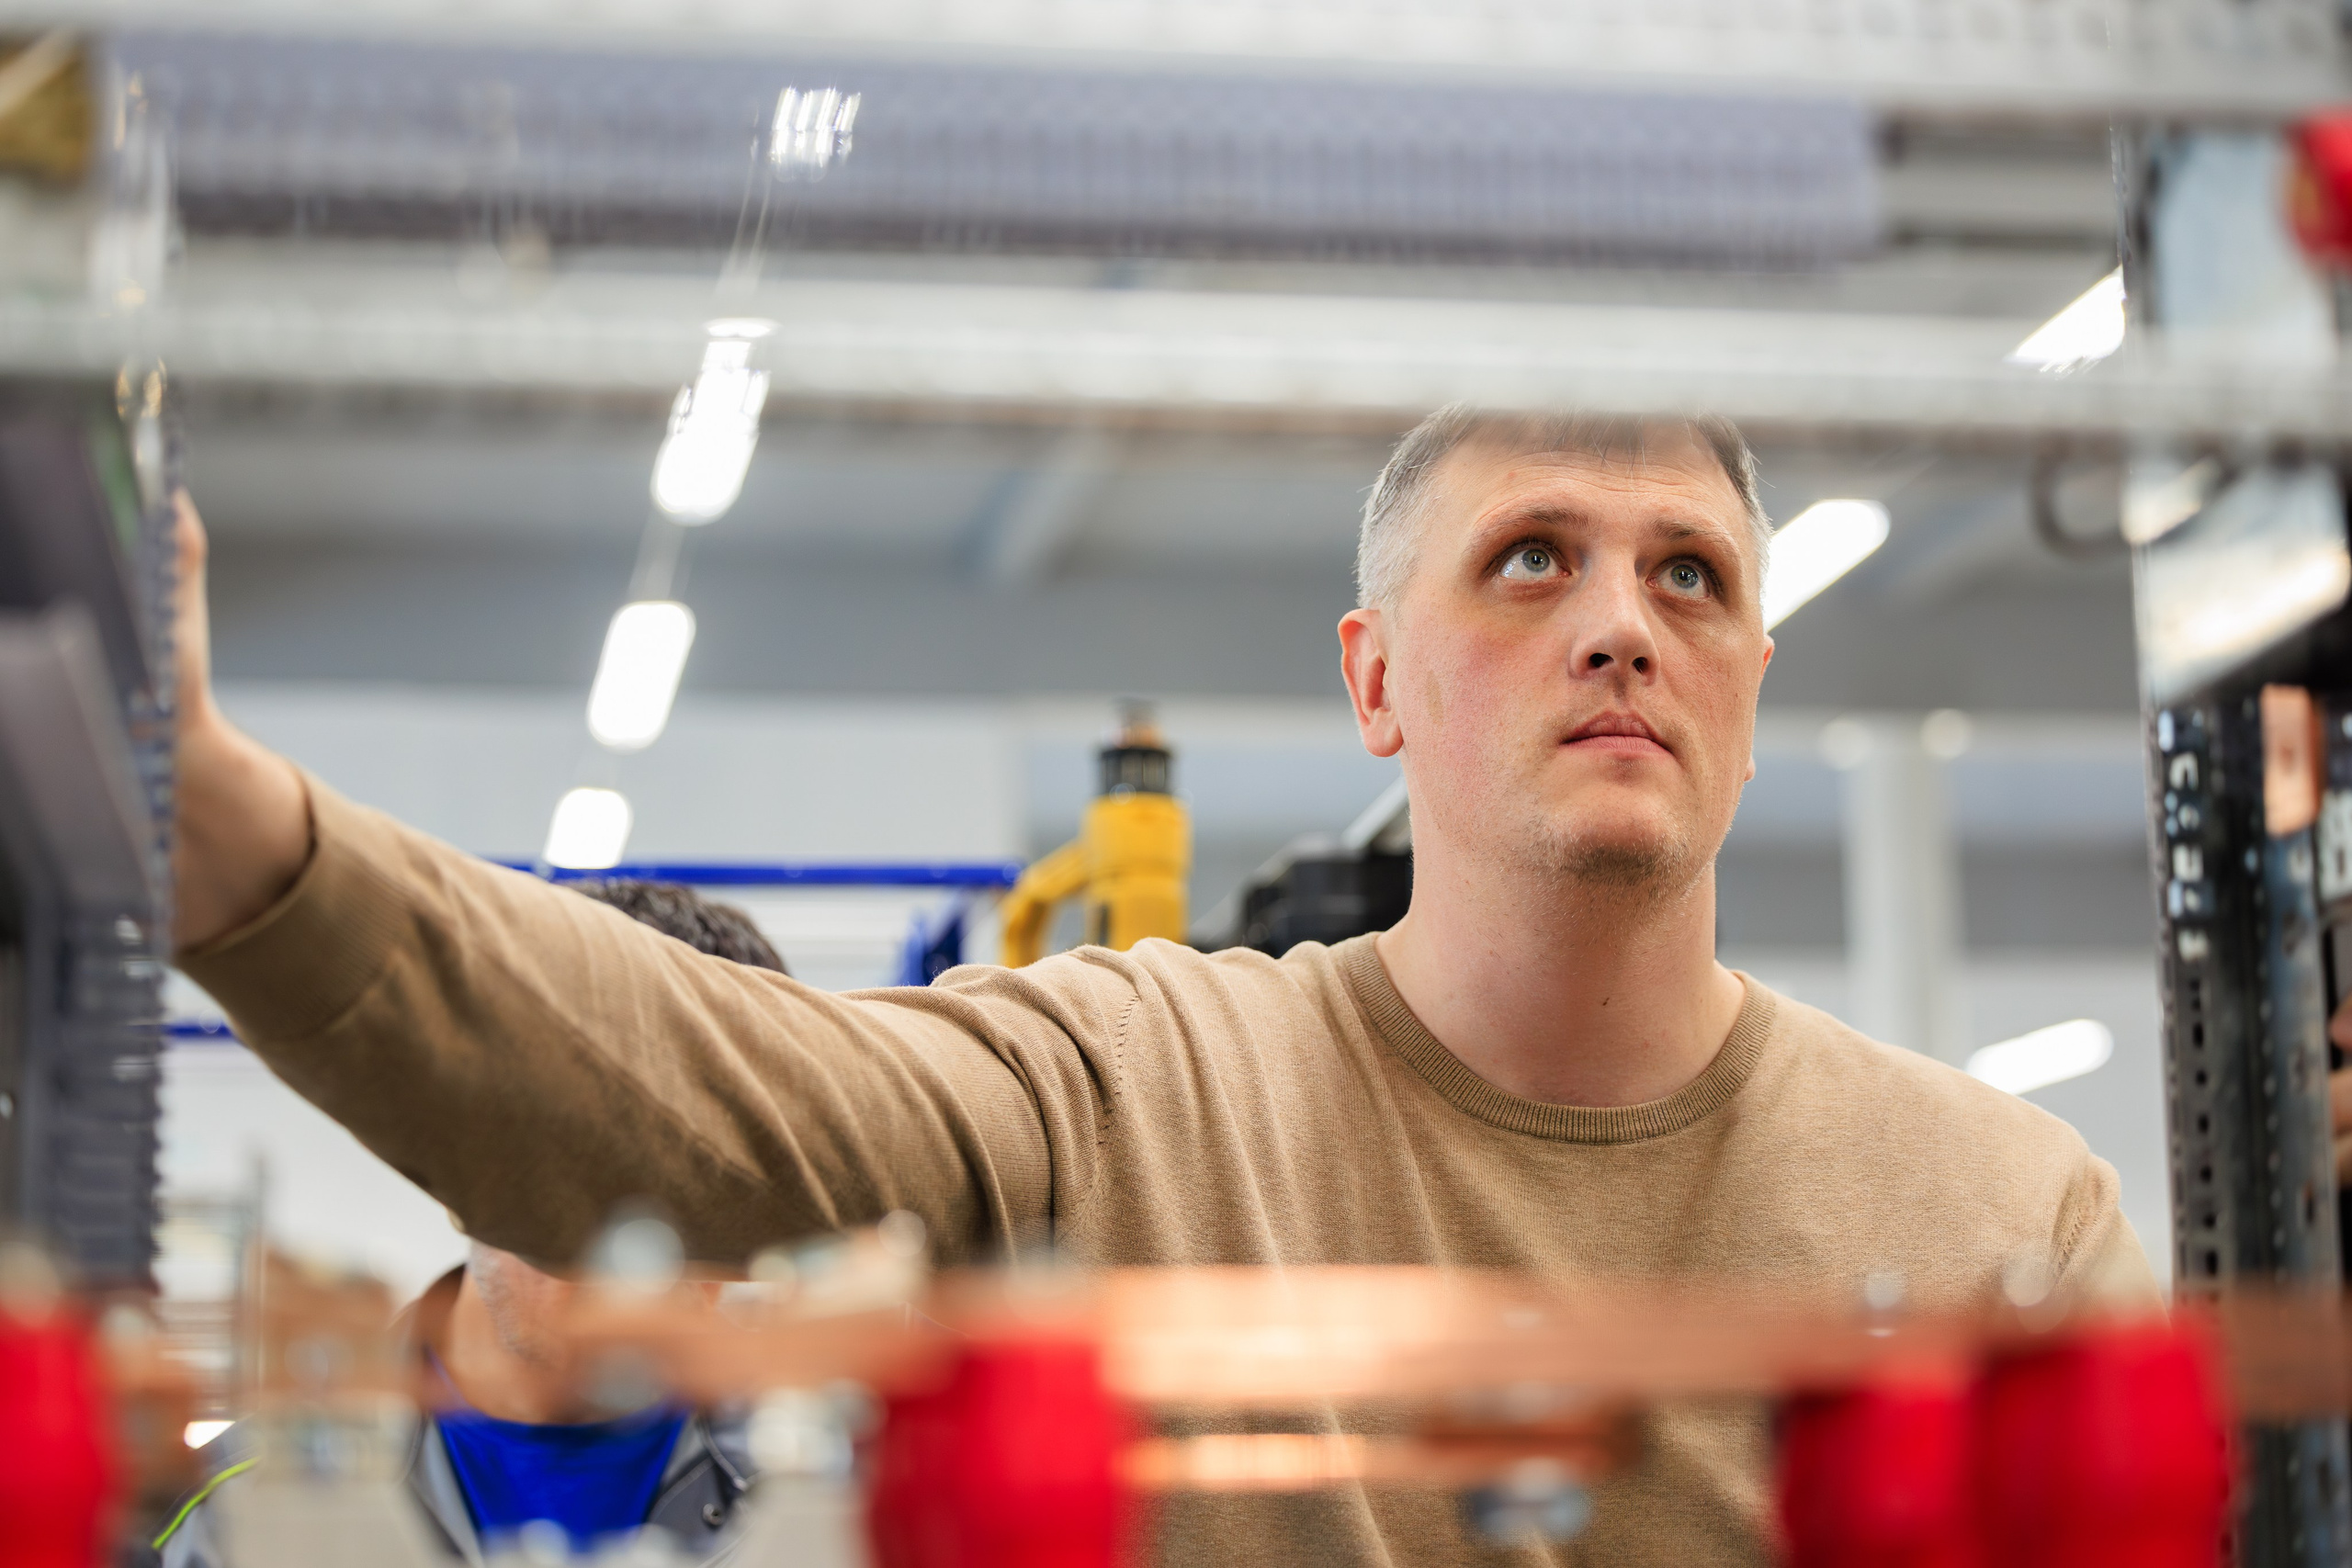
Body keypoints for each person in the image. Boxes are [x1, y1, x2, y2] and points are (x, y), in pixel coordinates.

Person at [167, 407, 2166, 1565]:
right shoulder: (1138, 1081)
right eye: (1533, 558)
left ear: (1748, 681)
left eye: (1691, 576)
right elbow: (695, 1097)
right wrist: (234, 837)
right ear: (1373, 678)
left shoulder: (2002, 1210)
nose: (1623, 625)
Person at [154, 882, 788, 1568]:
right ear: (467, 1138)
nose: (624, 1227)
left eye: (703, 1167)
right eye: (572, 1134)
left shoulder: (852, 1501)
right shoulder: (244, 1509)